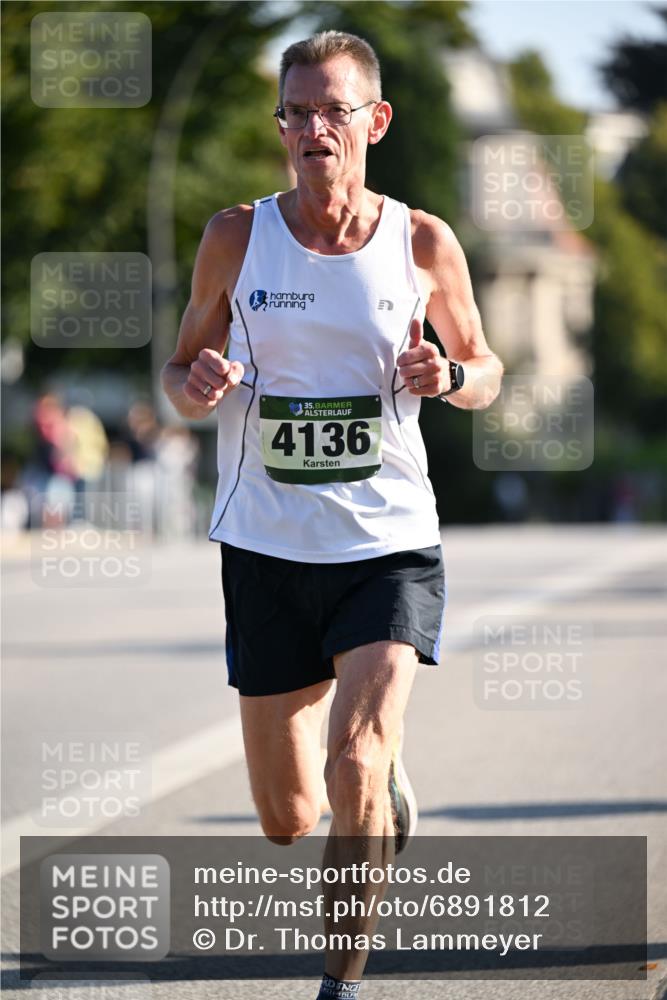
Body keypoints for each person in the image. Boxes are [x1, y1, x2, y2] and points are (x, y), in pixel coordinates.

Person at [162, 30, 503, 1000]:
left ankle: (338, 984)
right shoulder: (236, 236)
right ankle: (382, 790)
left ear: (374, 122)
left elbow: (486, 369)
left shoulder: (422, 241)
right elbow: (179, 371)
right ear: (281, 128)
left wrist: (451, 374)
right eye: (297, 111)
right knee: (288, 813)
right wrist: (198, 379)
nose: (314, 127)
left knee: (355, 757)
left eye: (333, 110)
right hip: (266, 547)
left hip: (387, 542)